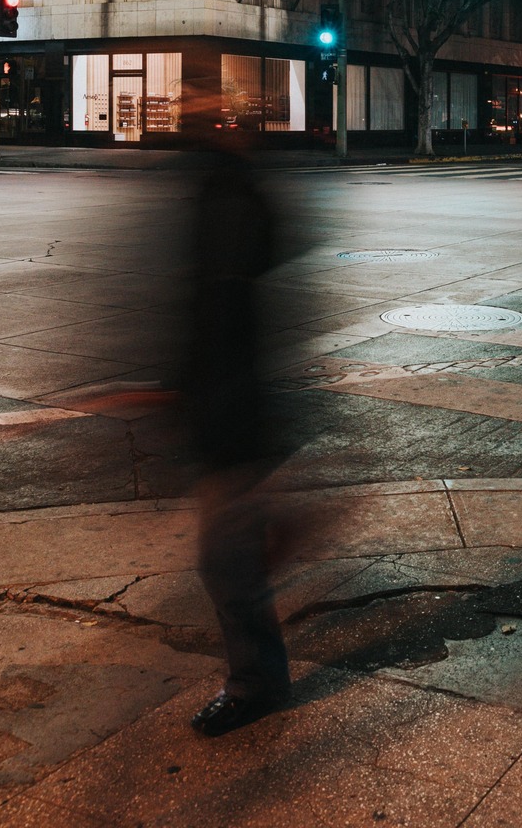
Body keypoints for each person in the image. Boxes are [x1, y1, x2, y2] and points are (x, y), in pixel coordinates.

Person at [181, 96, 298, 737]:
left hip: (230, 400)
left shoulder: (229, 196)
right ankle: (259, 674)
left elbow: (217, 308)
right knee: (229, 550)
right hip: (224, 398)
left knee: (224, 557)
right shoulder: (219, 189)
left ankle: (257, 680)